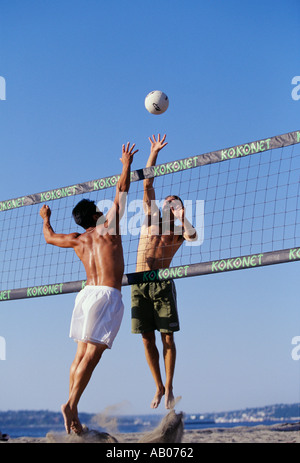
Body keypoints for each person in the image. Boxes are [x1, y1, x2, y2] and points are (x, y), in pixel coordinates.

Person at [40, 141, 138, 434]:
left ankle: (73, 410)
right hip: (107, 295)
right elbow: (122, 193)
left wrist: (46, 218)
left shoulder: (78, 240)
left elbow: (49, 237)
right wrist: (125, 164)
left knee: (79, 355)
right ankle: (70, 404)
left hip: (85, 296)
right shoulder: (109, 227)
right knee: (92, 357)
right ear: (96, 215)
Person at [131, 134, 197, 410]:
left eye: (173, 202)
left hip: (161, 284)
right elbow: (148, 182)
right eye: (166, 201)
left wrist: (183, 217)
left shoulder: (178, 233)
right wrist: (153, 153)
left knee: (167, 337)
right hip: (138, 283)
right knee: (146, 339)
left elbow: (193, 236)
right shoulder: (150, 217)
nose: (167, 203)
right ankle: (158, 385)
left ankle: (169, 387)